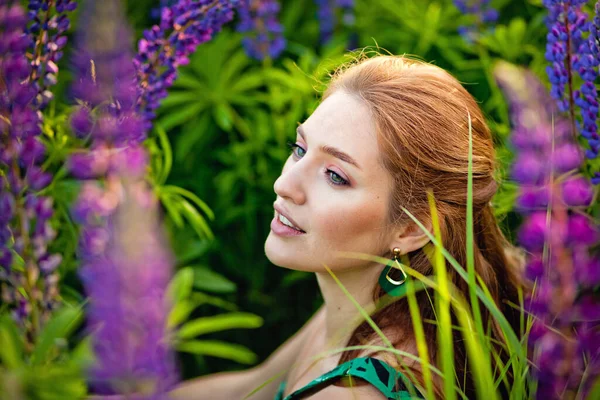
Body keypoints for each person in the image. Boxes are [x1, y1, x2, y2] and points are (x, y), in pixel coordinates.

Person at [170, 53, 525, 400]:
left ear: (411, 229)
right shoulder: (366, 305)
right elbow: (249, 388)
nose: (285, 184)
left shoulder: (355, 391)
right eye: (299, 148)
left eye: (336, 176)